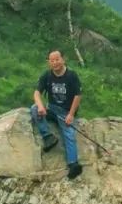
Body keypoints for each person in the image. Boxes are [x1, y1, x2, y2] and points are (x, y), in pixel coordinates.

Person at [31, 50, 83, 179]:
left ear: (63, 60)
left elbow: (78, 95)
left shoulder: (71, 76)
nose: (55, 63)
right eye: (52, 60)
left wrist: (71, 115)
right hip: (52, 109)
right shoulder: (47, 76)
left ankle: (73, 164)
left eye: (57, 59)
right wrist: (41, 106)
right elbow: (37, 93)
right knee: (34, 109)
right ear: (49, 62)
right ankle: (48, 136)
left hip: (66, 111)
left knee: (69, 134)